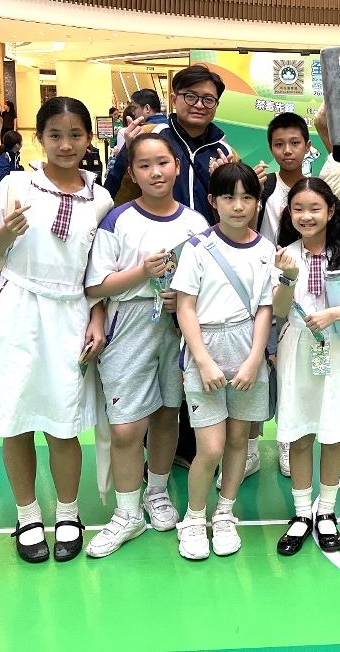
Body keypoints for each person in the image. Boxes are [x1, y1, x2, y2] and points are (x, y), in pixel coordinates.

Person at [0, 97, 114, 564]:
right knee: (16, 420)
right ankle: (27, 516)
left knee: (64, 424)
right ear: (39, 138)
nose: (66, 145)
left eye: (75, 135)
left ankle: (68, 513)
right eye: (55, 135)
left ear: (89, 138)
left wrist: (97, 318)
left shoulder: (101, 198)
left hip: (70, 315)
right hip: (16, 311)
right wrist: (7, 232)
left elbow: (97, 272)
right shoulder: (15, 185)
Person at [83, 133, 209, 559]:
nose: (155, 172)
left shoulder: (195, 223)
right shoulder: (117, 220)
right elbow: (95, 285)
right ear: (133, 174)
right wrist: (142, 273)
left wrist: (183, 300)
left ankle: (156, 491)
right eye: (144, 165)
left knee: (167, 413)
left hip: (177, 325)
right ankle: (127, 512)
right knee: (125, 426)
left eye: (163, 163)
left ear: (177, 167)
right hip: (130, 322)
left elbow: (206, 283)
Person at [271, 178, 340, 556]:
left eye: (315, 208)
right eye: (298, 209)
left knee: (334, 435)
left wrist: (334, 314)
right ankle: (302, 513)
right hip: (298, 352)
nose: (307, 216)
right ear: (289, 213)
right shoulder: (285, 255)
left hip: (337, 350)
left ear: (331, 211)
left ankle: (327, 512)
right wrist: (288, 277)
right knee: (301, 434)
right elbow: (280, 310)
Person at [171, 162, 275, 561]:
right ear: (213, 201)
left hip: (247, 349)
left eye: (247, 197)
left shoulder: (265, 250)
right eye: (229, 197)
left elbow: (265, 309)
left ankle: (225, 513)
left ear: (257, 201)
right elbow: (185, 308)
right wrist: (203, 361)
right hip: (207, 349)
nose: (238, 206)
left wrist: (254, 361)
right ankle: (195, 517)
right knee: (211, 447)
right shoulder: (197, 248)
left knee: (238, 442)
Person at [251, 111, 313, 480]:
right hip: (263, 288)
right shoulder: (263, 186)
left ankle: (288, 440)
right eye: (279, 144)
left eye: (294, 143)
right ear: (270, 148)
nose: (287, 150)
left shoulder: (316, 189)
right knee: (257, 367)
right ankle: (249, 446)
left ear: (308, 146)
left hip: (303, 290)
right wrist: (254, 194)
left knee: (294, 367)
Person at [103, 68, 232, 222]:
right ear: (174, 100)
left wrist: (225, 183)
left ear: (216, 105)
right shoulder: (149, 136)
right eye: (190, 97)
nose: (199, 105)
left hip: (207, 234)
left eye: (208, 99)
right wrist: (128, 154)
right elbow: (115, 194)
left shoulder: (225, 152)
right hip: (154, 233)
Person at [105, 90, 170, 206]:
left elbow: (120, 174)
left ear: (147, 108)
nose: (133, 112)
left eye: (135, 108)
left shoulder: (140, 132)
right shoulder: (175, 130)